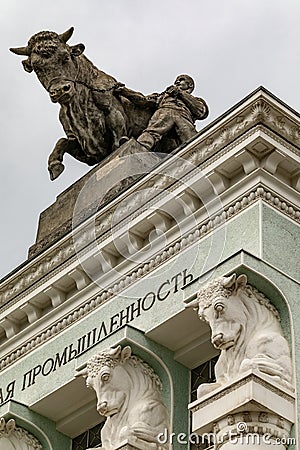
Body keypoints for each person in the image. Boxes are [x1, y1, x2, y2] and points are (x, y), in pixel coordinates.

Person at [115, 74, 209, 150]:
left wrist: (180, 94)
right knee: (152, 131)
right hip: (164, 111)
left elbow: (201, 111)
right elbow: (143, 100)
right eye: (177, 80)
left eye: (181, 79)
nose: (177, 82)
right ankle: (139, 147)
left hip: (184, 118)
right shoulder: (163, 96)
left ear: (190, 85)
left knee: (192, 140)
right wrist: (125, 91)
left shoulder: (196, 100)